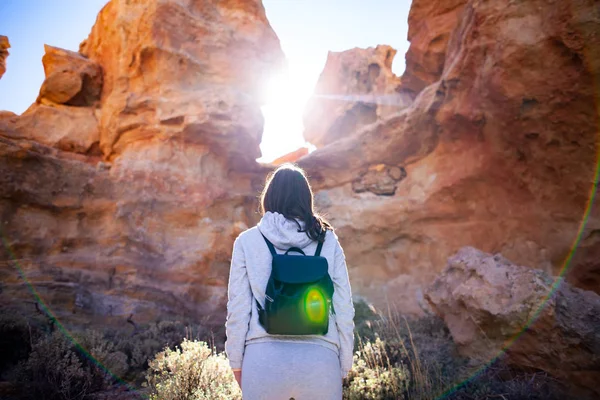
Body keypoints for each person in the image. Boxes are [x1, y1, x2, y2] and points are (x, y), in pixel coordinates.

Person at [225, 163, 355, 400]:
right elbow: (344, 305)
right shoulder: (327, 240)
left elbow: (238, 309)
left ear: (269, 197)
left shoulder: (247, 241)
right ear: (306, 198)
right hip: (320, 357)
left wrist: (236, 362)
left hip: (263, 358)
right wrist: (345, 363)